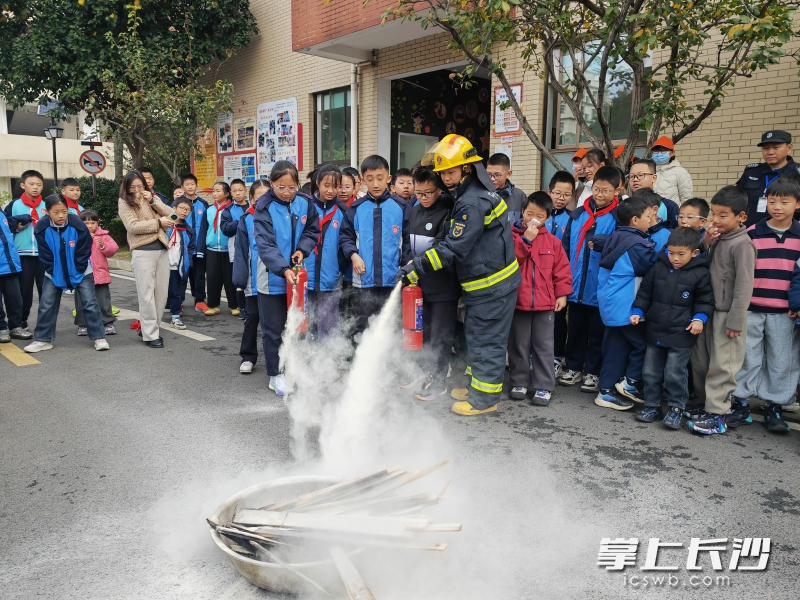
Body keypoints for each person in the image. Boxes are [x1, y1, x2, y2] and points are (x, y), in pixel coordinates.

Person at [399, 134, 522, 416]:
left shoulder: (472, 202)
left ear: (467, 168)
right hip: (485, 283)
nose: (446, 178)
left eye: (451, 172)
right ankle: (476, 387)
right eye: (442, 173)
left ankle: (484, 400)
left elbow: (453, 247)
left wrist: (415, 267)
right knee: (477, 336)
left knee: (486, 340)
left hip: (493, 285)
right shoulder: (473, 190)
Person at [730, 176, 800, 433]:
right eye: (772, 201)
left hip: (786, 312)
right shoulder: (752, 233)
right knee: (747, 357)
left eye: (784, 202)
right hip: (752, 307)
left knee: (783, 360)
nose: (777, 207)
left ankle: (775, 406)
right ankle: (741, 403)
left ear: (797, 204)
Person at [686, 186, 757, 435]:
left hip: (729, 315)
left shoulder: (743, 244)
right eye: (714, 213)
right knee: (701, 360)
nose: (715, 219)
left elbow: (744, 285)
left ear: (741, 217)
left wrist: (736, 319)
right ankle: (707, 405)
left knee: (723, 365)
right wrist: (706, 243)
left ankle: (718, 415)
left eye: (723, 215)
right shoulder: (718, 239)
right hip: (708, 310)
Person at [630, 227, 714, 428]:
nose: (675, 258)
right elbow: (645, 293)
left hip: (682, 333)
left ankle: (676, 408)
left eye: (681, 254)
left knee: (675, 373)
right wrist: (638, 311)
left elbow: (705, 300)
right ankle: (652, 406)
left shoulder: (700, 273)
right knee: (650, 371)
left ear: (695, 253)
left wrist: (699, 319)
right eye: (671, 252)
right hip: (655, 329)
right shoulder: (658, 267)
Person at [253, 160, 320, 395]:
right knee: (274, 329)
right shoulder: (263, 207)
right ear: (271, 183)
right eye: (281, 187)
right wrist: (283, 269)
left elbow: (313, 229)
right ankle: (276, 374)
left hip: (298, 278)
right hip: (272, 278)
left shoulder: (306, 203)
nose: (286, 192)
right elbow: (265, 244)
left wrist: (303, 248)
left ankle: (295, 369)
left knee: (298, 326)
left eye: (291, 187)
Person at [559, 166, 621, 393]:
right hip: (576, 286)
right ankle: (573, 367)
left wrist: (607, 241)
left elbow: (624, 245)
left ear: (617, 189)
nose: (600, 194)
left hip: (601, 287)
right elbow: (565, 250)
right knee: (575, 331)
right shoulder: (577, 215)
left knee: (597, 334)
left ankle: (593, 372)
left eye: (606, 190)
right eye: (596, 189)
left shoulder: (618, 217)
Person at [402, 166, 461, 401]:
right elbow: (409, 244)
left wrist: (415, 264)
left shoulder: (449, 211)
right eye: (419, 193)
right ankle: (424, 373)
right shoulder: (415, 211)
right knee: (422, 332)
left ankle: (438, 380)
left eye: (428, 193)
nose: (423, 198)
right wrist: (408, 263)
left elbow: (443, 248)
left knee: (440, 335)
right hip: (420, 286)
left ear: (439, 189)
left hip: (444, 287)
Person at [508, 192, 572, 406]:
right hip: (518, 301)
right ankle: (519, 382)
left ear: (548, 217)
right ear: (522, 211)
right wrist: (526, 240)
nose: (532, 219)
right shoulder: (512, 236)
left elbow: (562, 270)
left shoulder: (553, 242)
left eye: (540, 216)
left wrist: (562, 294)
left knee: (544, 346)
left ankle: (544, 386)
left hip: (545, 304)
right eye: (529, 214)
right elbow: (508, 262)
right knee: (518, 344)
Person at [23, 195, 109, 353]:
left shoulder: (77, 224)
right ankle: (43, 339)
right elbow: (45, 254)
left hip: (81, 270)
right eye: (56, 212)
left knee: (90, 303)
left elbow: (84, 249)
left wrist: (77, 269)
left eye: (64, 211)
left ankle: (99, 337)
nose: (61, 215)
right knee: (46, 305)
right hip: (53, 272)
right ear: (47, 212)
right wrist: (53, 271)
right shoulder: (41, 227)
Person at [594, 197, 657, 410]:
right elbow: (651, 266)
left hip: (610, 302)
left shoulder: (616, 236)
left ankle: (606, 391)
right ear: (635, 220)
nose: (653, 219)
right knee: (642, 345)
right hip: (625, 306)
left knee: (614, 348)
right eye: (649, 216)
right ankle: (630, 382)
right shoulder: (637, 245)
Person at [340, 155, 410, 339]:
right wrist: (353, 255)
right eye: (370, 179)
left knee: (391, 325)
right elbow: (345, 237)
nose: (376, 184)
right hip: (364, 281)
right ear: (363, 181)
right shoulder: (355, 208)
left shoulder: (401, 207)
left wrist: (405, 264)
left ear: (389, 178)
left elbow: (408, 240)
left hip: (393, 279)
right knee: (362, 324)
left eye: (380, 178)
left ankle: (388, 366)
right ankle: (363, 365)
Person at [117, 170, 175, 348]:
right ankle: (150, 335)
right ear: (126, 187)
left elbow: (174, 216)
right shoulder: (124, 202)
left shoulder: (152, 199)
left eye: (140, 186)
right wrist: (158, 223)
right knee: (146, 294)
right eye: (132, 186)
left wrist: (152, 201)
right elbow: (132, 226)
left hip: (162, 249)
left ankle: (151, 327)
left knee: (161, 293)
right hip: (142, 250)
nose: (136, 190)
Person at [233, 180, 271, 374]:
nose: (263, 202)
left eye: (267, 197)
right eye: (259, 198)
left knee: (274, 322)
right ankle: (248, 356)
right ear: (251, 199)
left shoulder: (278, 216)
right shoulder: (246, 219)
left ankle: (280, 358)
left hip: (275, 280)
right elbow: (241, 251)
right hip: (254, 280)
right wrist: (240, 278)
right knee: (253, 317)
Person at [307, 166, 347, 339]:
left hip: (330, 277)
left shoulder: (344, 212)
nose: (331, 190)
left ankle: (327, 363)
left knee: (329, 323)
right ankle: (304, 361)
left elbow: (347, 243)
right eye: (326, 185)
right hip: (305, 276)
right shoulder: (305, 206)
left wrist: (338, 266)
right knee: (305, 323)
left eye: (335, 186)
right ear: (317, 183)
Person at [4, 169, 46, 329]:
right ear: (23, 185)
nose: (36, 187)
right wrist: (17, 228)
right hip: (22, 253)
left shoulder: (47, 204)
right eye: (32, 184)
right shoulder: (14, 205)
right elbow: (6, 227)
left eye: (39, 185)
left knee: (46, 289)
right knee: (24, 289)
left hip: (44, 254)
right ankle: (21, 321)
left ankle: (46, 321)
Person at [545, 171, 576, 377]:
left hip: (558, 277)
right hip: (538, 277)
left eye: (566, 195)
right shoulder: (541, 215)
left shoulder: (573, 219)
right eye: (557, 193)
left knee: (558, 319)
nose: (560, 198)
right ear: (550, 191)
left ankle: (556, 357)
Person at [736, 130, 800, 226]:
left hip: (785, 234)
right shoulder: (751, 171)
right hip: (748, 231)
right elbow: (737, 199)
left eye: (776, 147)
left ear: (789, 148)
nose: (770, 152)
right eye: (766, 148)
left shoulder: (797, 174)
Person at [75, 210, 118, 336]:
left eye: (92, 223)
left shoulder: (104, 236)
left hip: (100, 275)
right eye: (86, 223)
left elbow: (113, 250)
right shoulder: (76, 235)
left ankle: (107, 323)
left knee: (103, 300)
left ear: (97, 223)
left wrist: (103, 245)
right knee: (82, 301)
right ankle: (83, 324)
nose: (89, 226)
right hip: (81, 275)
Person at [199, 181, 238, 316]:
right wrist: (201, 249)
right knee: (212, 278)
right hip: (212, 249)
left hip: (229, 249)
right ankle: (214, 305)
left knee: (230, 279)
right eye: (213, 191)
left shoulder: (233, 209)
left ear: (227, 194)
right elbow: (204, 230)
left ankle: (234, 305)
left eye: (218, 191)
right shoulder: (209, 210)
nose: (214, 193)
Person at [174, 173, 209, 313]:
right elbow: (172, 222)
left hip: (199, 246)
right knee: (181, 275)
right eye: (187, 184)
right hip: (183, 247)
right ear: (182, 187)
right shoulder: (177, 204)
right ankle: (178, 302)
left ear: (196, 185)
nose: (190, 186)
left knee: (199, 276)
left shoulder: (203, 204)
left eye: (192, 184)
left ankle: (200, 301)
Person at [0, 211, 32, 342]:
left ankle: (16, 326)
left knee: (15, 298)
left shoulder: (1, 213)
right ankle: (1, 328)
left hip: (9, 264)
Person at [220, 178, 250, 319]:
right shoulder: (228, 210)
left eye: (240, 190)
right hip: (236, 250)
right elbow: (225, 229)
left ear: (245, 190)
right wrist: (241, 222)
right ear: (230, 193)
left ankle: (252, 307)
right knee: (240, 279)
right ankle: (242, 307)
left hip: (254, 249)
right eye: (234, 191)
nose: (238, 193)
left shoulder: (253, 206)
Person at [166, 199, 195, 330]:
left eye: (187, 209)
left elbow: (191, 248)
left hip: (177, 265)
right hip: (162, 264)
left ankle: (175, 317)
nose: (184, 211)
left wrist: (188, 263)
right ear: (174, 208)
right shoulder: (165, 225)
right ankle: (150, 318)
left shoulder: (187, 230)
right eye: (181, 208)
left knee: (175, 291)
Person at [628, 158, 680, 228]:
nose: (635, 179)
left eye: (640, 175)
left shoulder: (669, 206)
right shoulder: (625, 204)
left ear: (654, 178)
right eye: (631, 176)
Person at [649, 136, 694, 203]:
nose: (659, 154)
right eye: (656, 151)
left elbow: (687, 200)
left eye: (663, 151)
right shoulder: (649, 171)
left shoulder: (681, 172)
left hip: (672, 212)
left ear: (672, 153)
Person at [486, 152, 526, 224]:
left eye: (497, 175)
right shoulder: (480, 195)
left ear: (508, 174)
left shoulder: (519, 196)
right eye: (488, 174)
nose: (492, 179)